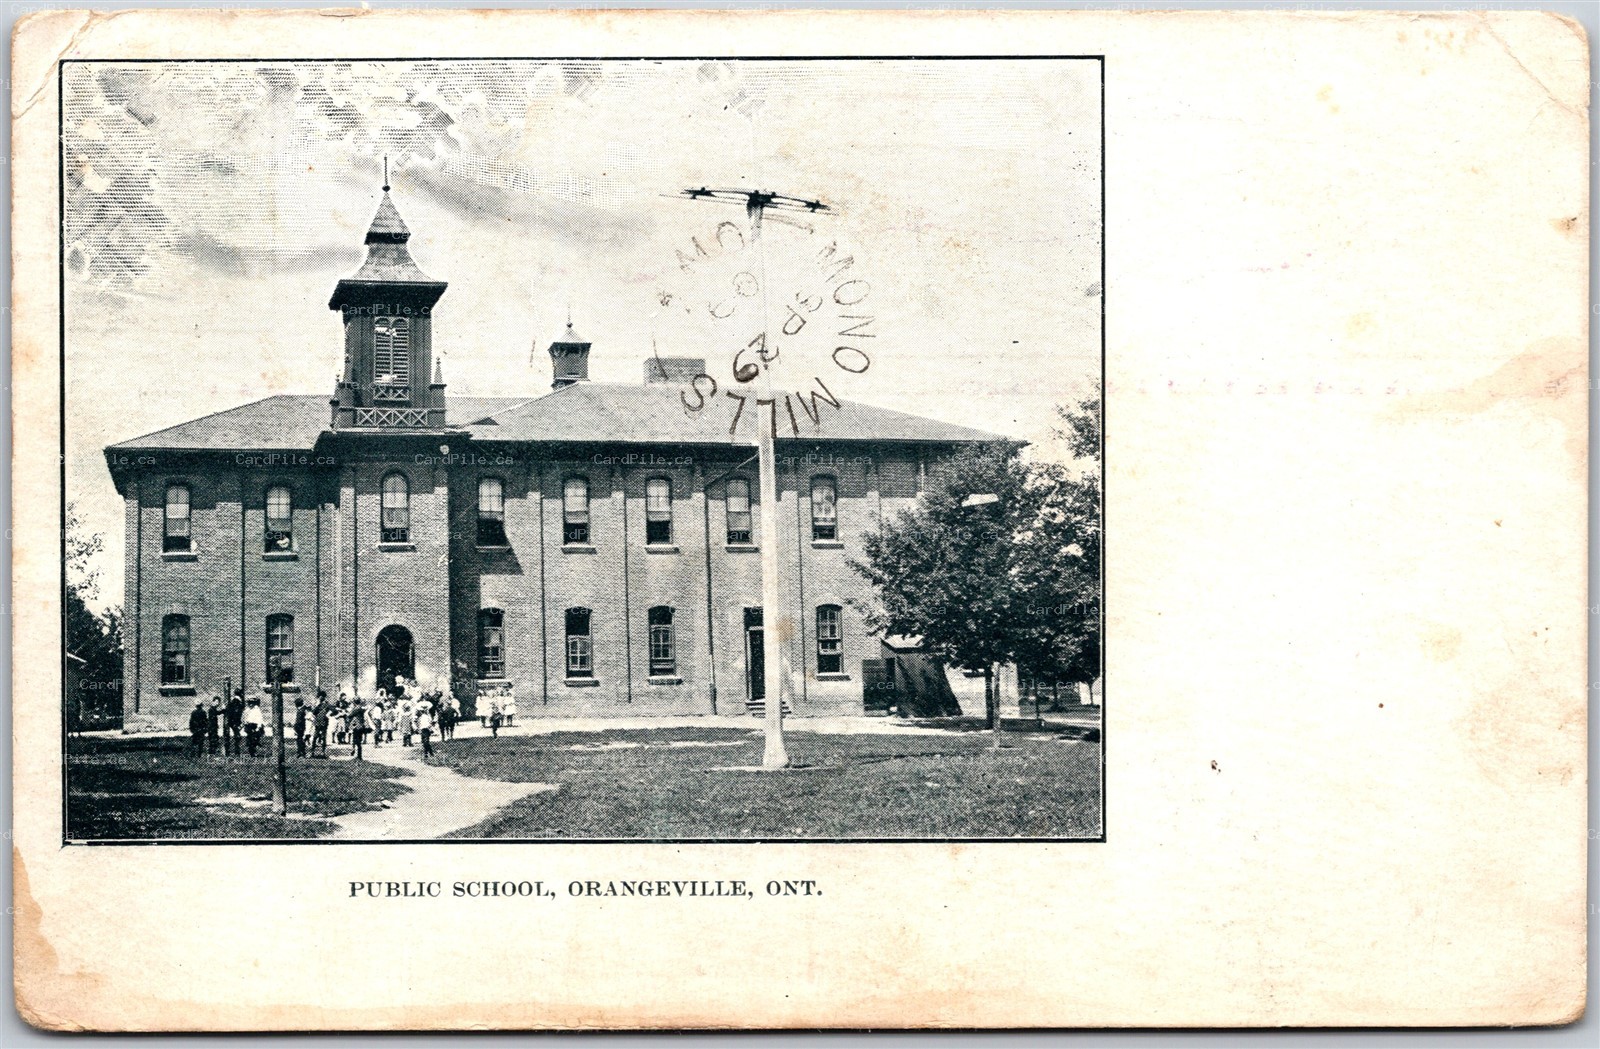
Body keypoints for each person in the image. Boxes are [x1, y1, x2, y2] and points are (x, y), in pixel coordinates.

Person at [224, 689, 245, 756]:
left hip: (233, 722)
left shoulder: (233, 701)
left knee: (237, 736)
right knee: (237, 736)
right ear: (240, 694)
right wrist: (237, 723)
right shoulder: (237, 702)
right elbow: (236, 713)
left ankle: (235, 751)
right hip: (235, 722)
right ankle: (236, 752)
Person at [312, 693, 330, 757]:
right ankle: (313, 752)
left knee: (323, 737)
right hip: (318, 723)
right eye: (320, 697)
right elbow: (313, 712)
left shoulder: (326, 705)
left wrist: (327, 715)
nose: (320, 698)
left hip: (323, 723)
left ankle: (323, 752)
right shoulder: (318, 705)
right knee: (315, 737)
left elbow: (332, 710)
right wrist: (317, 705)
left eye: (321, 697)